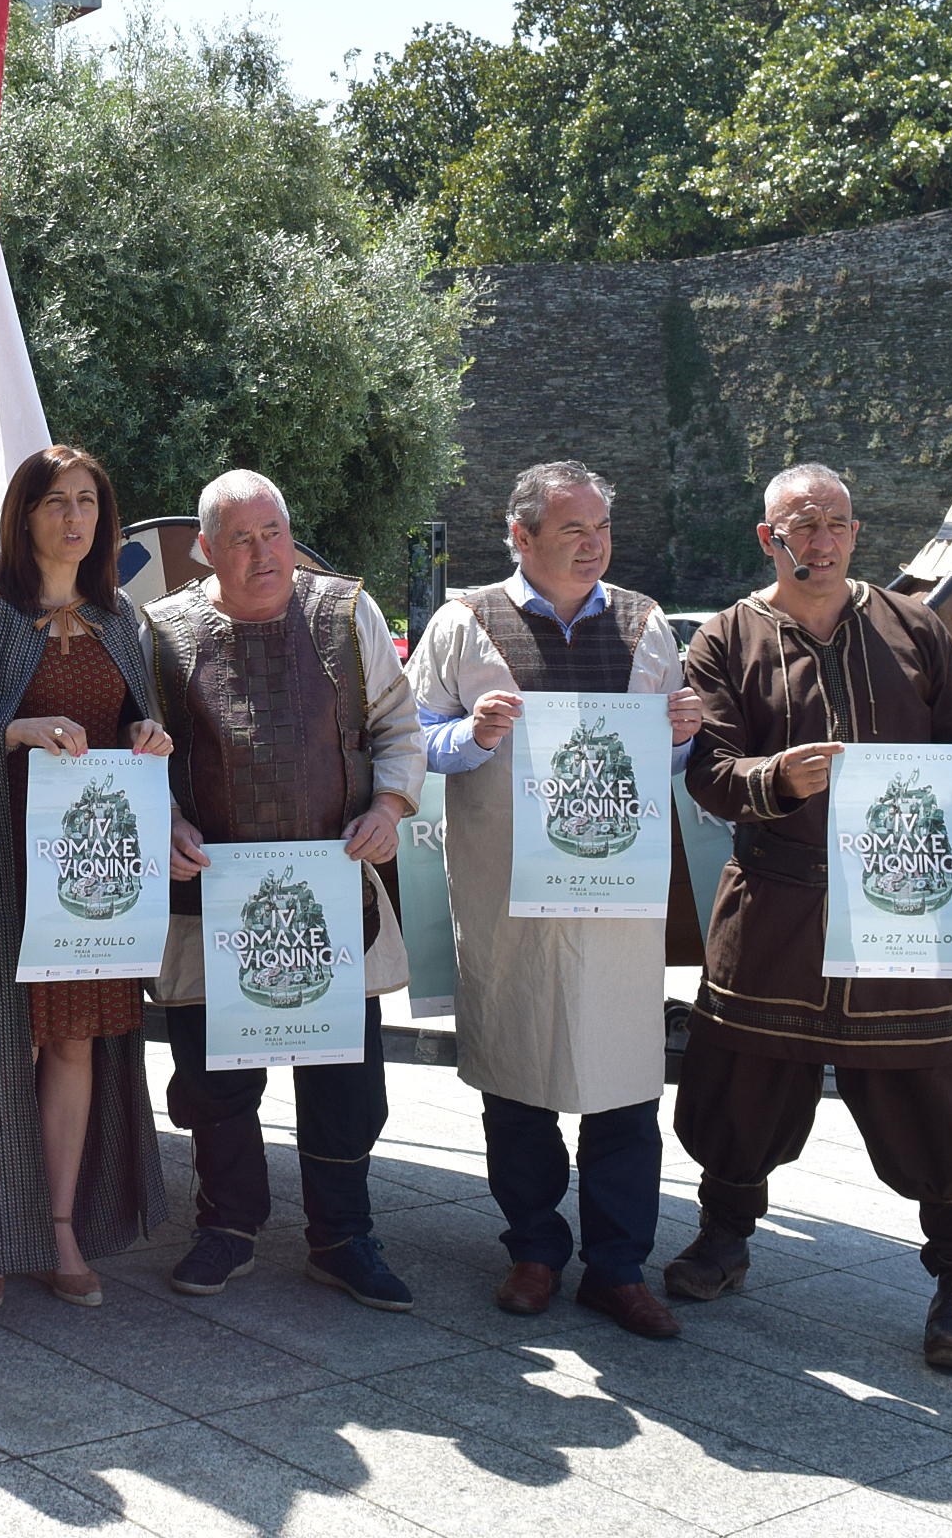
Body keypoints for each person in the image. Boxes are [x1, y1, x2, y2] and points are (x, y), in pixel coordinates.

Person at [669, 462, 952, 1373]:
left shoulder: (915, 628)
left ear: (855, 534)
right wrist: (774, 779)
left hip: (904, 908)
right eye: (800, 525)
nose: (819, 540)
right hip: (776, 908)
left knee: (940, 1095)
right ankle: (723, 1240)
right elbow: (708, 770)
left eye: (834, 524)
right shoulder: (726, 638)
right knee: (741, 1083)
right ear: (769, 538)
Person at [405, 463, 701, 1340]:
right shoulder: (465, 623)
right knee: (518, 1078)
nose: (592, 543)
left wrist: (681, 739)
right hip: (512, 902)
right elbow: (411, 739)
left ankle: (617, 1267)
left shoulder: (646, 623)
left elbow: (666, 761)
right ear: (520, 536)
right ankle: (534, 1250)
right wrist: (471, 733)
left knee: (624, 1086)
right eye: (571, 529)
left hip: (617, 898)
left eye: (600, 527)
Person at [146, 471, 424, 1310]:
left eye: (274, 532)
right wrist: (162, 822)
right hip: (211, 900)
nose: (264, 551)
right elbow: (140, 750)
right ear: (206, 548)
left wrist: (389, 802)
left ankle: (342, 1235)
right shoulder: (162, 632)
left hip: (330, 890)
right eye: (242, 537)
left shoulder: (346, 615)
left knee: (344, 1080)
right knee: (215, 1081)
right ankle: (226, 1226)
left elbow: (397, 729)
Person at [0, 446, 173, 1314]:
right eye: (55, 502)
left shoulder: (123, 622)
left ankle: (59, 1227)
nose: (73, 518)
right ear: (26, 515)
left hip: (89, 875)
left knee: (76, 1043)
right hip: (6, 866)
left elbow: (137, 726)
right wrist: (15, 728)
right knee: (9, 1045)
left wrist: (149, 736)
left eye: (87, 502)